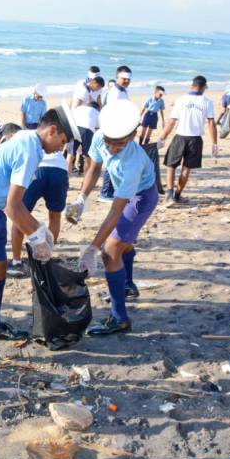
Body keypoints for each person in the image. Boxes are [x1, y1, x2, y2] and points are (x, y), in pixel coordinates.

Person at [0, 107, 79, 369]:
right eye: (63, 142)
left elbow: (11, 206)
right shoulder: (30, 149)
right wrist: (37, 236)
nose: (61, 149)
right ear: (52, 130)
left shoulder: (28, 140)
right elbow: (14, 206)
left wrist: (39, 232)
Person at [64, 101, 157, 336]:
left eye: (120, 144)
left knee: (111, 250)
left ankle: (120, 318)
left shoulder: (132, 163)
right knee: (122, 243)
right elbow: (94, 168)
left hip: (141, 197)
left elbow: (116, 212)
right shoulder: (99, 137)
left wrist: (93, 248)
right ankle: (127, 284)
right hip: (127, 195)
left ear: (134, 135)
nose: (113, 148)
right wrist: (81, 199)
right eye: (109, 143)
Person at [7, 121, 69, 279]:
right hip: (59, 170)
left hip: (37, 170)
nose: (61, 146)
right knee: (55, 215)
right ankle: (46, 258)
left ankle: (16, 261)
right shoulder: (54, 136)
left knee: (19, 214)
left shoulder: (24, 135)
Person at [155, 75, 217, 207]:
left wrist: (162, 138)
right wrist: (214, 143)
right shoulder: (207, 102)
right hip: (195, 139)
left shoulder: (181, 99)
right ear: (204, 87)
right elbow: (211, 124)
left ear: (191, 86)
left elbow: (172, 122)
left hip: (180, 137)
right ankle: (177, 196)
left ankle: (169, 196)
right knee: (186, 169)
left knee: (171, 166)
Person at [99, 66, 132, 202]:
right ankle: (106, 193)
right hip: (114, 130)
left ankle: (113, 191)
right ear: (117, 77)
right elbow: (113, 112)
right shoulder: (115, 93)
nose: (126, 81)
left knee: (118, 161)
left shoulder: (123, 91)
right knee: (112, 160)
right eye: (124, 79)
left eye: (128, 79)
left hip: (121, 129)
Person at [71, 74, 104, 174]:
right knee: (88, 156)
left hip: (76, 124)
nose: (97, 90)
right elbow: (76, 105)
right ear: (93, 83)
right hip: (84, 127)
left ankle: (67, 178)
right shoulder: (85, 92)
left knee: (70, 154)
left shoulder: (85, 88)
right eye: (97, 87)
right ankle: (86, 178)